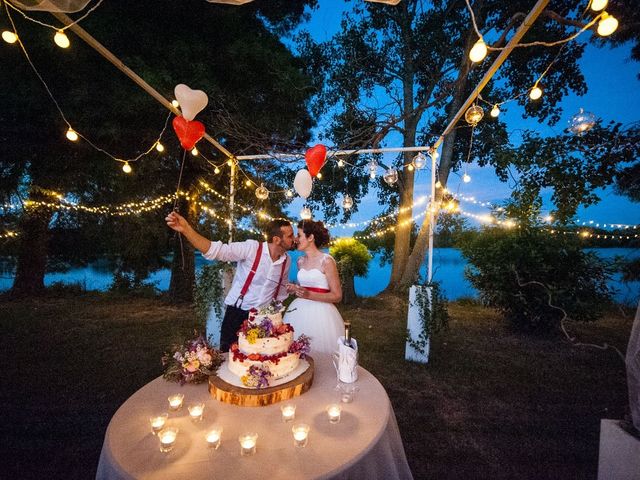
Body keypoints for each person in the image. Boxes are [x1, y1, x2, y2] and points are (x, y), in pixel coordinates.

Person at [165, 211, 296, 351]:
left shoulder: (286, 261)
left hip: (265, 319)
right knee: (229, 356)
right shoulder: (251, 248)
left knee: (261, 360)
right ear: (277, 239)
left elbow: (281, 292)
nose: (294, 239)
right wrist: (186, 229)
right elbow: (216, 251)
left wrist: (276, 316)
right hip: (237, 313)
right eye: (290, 236)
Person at [284, 219, 345, 355]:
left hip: (322, 314)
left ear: (310, 237)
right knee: (295, 352)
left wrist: (309, 295)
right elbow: (305, 288)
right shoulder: (300, 261)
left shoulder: (327, 261)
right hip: (299, 311)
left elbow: (337, 296)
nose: (295, 239)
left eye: (299, 235)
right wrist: (295, 288)